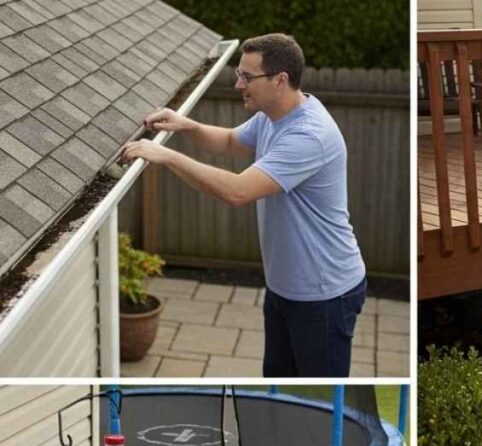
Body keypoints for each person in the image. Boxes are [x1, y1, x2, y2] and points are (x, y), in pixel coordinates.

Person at [120, 33, 366, 377]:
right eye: (239, 74)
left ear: (280, 81)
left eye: (247, 77)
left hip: (323, 295)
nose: (238, 84)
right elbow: (232, 141)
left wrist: (164, 155)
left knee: (319, 402)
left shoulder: (308, 136)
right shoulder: (273, 115)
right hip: (285, 288)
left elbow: (237, 191)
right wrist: (185, 125)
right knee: (279, 392)